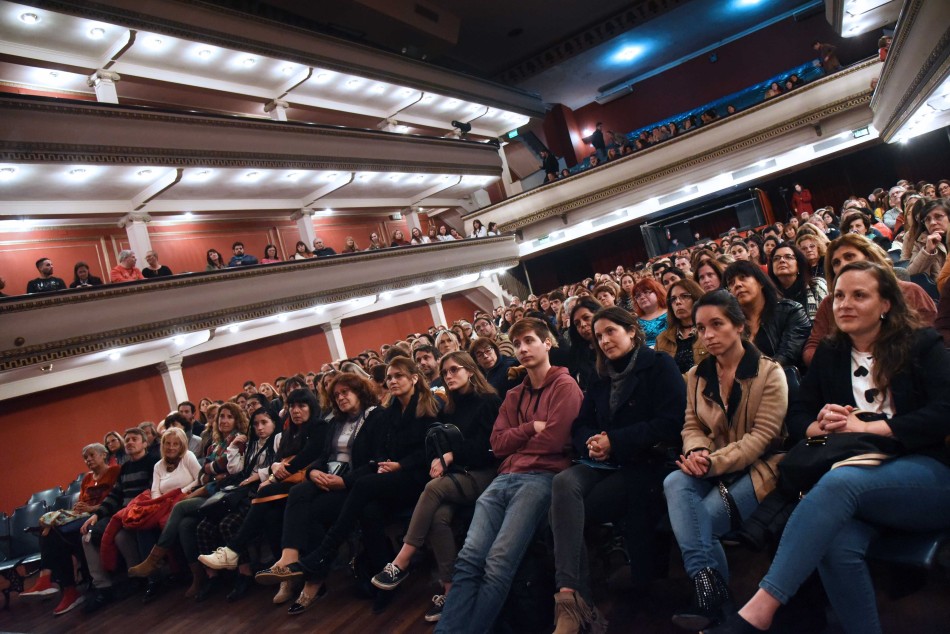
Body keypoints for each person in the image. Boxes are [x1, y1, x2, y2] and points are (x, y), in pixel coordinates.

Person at [709, 262, 950, 634]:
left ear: (886, 303)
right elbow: (798, 415)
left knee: (839, 484)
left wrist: (875, 426)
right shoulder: (832, 352)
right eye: (839, 296)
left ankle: (757, 613)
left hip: (925, 472)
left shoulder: (922, 344)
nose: (844, 304)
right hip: (853, 473)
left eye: (859, 295)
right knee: (836, 543)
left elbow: (945, 411)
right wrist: (818, 423)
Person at [254, 358, 438, 614]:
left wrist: (398, 465)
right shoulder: (391, 410)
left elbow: (428, 450)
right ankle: (383, 579)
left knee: (360, 488)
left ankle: (322, 556)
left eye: (398, 376)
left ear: (414, 378)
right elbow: (378, 452)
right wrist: (315, 472)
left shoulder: (419, 407)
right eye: (390, 377)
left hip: (414, 477)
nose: (393, 381)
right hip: (385, 478)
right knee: (363, 510)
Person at [435, 318, 584, 634]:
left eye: (529, 340)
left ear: (548, 343)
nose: (523, 348)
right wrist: (530, 428)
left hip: (541, 478)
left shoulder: (565, 386)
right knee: (468, 560)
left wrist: (518, 442)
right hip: (503, 479)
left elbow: (556, 441)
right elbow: (496, 443)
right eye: (517, 344)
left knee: (498, 563)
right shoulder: (514, 394)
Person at [550, 307, 686, 632]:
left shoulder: (659, 365)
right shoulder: (600, 376)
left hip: (646, 459)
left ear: (632, 331)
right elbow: (581, 423)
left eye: (610, 331)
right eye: (599, 336)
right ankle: (571, 598)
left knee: (578, 509)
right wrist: (591, 443)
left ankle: (579, 601)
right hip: (603, 460)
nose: (604, 340)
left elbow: (671, 423)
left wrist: (615, 440)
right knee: (562, 484)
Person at [664, 290, 788, 630]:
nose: (708, 335)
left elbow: (761, 439)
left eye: (717, 324)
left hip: (761, 468)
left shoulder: (769, 373)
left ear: (739, 326)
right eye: (701, 328)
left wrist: (710, 462)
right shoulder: (696, 376)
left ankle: (713, 603)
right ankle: (717, 601)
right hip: (713, 463)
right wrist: (696, 451)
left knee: (703, 520)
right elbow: (691, 424)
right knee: (674, 480)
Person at [371, 352, 501, 623]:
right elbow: (440, 441)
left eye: (455, 370)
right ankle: (451, 589)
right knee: (438, 518)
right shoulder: (450, 407)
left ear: (469, 370)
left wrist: (452, 456)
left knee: (431, 489)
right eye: (446, 372)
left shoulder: (488, 401)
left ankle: (401, 561)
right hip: (457, 476)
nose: (449, 376)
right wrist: (439, 457)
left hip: (485, 473)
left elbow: (490, 448)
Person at [250, 374, 380, 612]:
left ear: (359, 392)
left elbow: (376, 461)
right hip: (327, 478)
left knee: (308, 515)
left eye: (345, 392)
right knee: (299, 492)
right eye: (336, 395)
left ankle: (312, 582)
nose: (340, 397)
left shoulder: (375, 416)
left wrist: (344, 480)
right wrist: (312, 473)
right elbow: (322, 457)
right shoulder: (335, 423)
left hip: (354, 485)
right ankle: (290, 560)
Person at [198, 389, 329, 594]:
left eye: (302, 406)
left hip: (312, 481)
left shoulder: (320, 426)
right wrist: (274, 470)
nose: (296, 411)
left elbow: (308, 454)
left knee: (264, 494)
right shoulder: (289, 434)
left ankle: (233, 549)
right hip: (290, 486)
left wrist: (274, 475)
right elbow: (278, 460)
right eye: (292, 406)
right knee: (270, 516)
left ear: (312, 407)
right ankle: (287, 576)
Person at [802, 234, 936, 365]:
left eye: (849, 256)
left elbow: (931, 341)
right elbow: (812, 348)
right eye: (836, 263)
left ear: (870, 258)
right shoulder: (829, 303)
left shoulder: (911, 292)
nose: (843, 265)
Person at [20, 443, 120, 615]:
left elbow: (118, 499)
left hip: (103, 517)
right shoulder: (87, 479)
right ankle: (63, 589)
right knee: (51, 532)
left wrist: (93, 509)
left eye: (91, 455)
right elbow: (81, 503)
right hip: (82, 519)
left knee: (54, 534)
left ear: (104, 455)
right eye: (85, 458)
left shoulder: (115, 471)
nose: (88, 460)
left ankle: (59, 585)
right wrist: (79, 508)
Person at [79, 428, 159, 613]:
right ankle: (103, 587)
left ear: (145, 443)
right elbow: (114, 496)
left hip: (142, 511)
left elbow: (151, 492)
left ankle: (140, 577)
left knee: (121, 537)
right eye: (127, 440)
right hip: (122, 512)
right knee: (87, 535)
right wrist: (96, 514)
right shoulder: (125, 468)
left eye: (134, 439)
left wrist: (129, 510)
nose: (129, 442)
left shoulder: (152, 463)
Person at [722, 261, 810, 369]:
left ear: (760, 282)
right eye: (731, 283)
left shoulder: (791, 311)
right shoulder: (731, 323)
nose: (737, 285)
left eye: (743, 277)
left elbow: (787, 357)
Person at [656, 279, 709, 374]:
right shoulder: (662, 339)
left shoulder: (710, 332)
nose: (678, 302)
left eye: (684, 296)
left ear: (696, 298)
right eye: (673, 299)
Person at [768, 243, 827, 321]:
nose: (781, 260)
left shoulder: (816, 286)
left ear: (799, 265)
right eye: (776, 258)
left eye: (788, 257)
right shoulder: (768, 294)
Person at [904, 199, 948, 280]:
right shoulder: (922, 242)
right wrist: (927, 251)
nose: (932, 222)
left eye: (938, 216)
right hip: (936, 290)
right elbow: (910, 275)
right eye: (928, 219)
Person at [567, 296, 602, 390]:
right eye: (577, 324)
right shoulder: (576, 353)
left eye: (586, 318)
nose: (582, 325)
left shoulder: (612, 345)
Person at [632, 278, 668, 348]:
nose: (642, 297)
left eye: (646, 292)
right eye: (638, 296)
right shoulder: (635, 321)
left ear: (657, 292)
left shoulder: (671, 313)